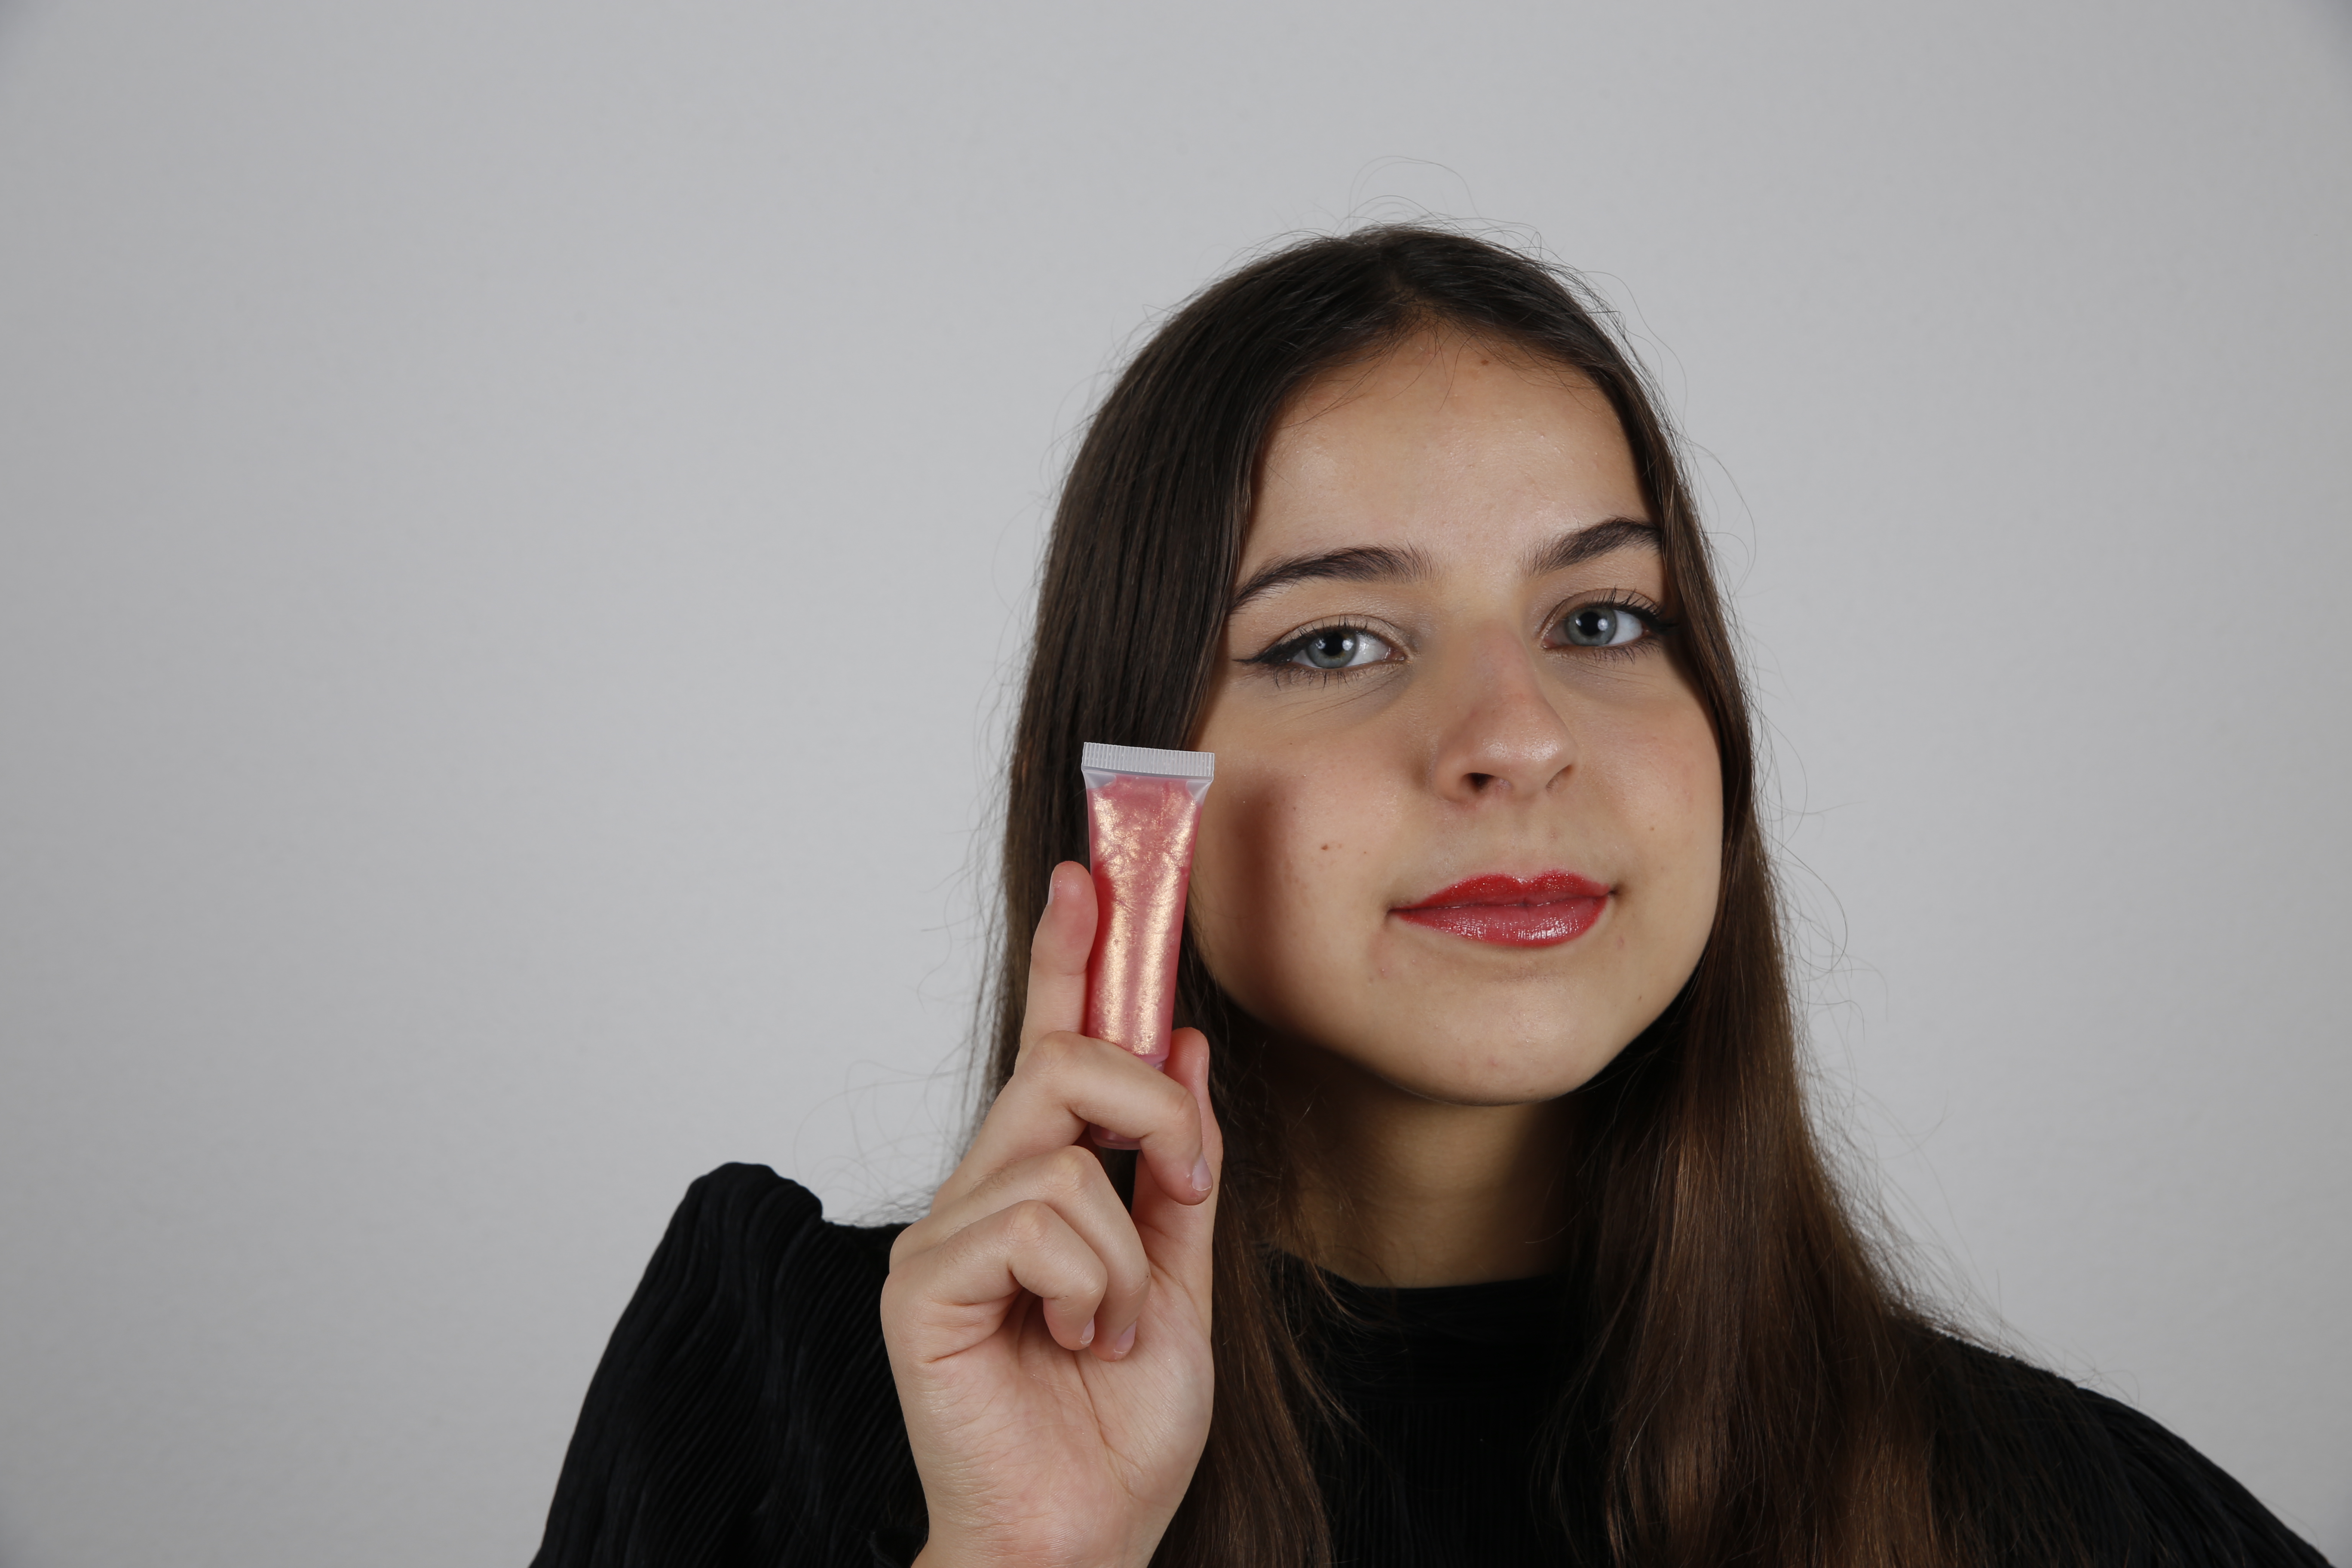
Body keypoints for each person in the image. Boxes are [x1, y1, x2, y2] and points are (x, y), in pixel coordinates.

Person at [527, 227, 2327, 1568]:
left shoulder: (2073, 1518)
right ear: (1137, 768)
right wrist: (1024, 1555)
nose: (1517, 739)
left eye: (1602, 618)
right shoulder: (779, 1402)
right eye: (1334, 641)